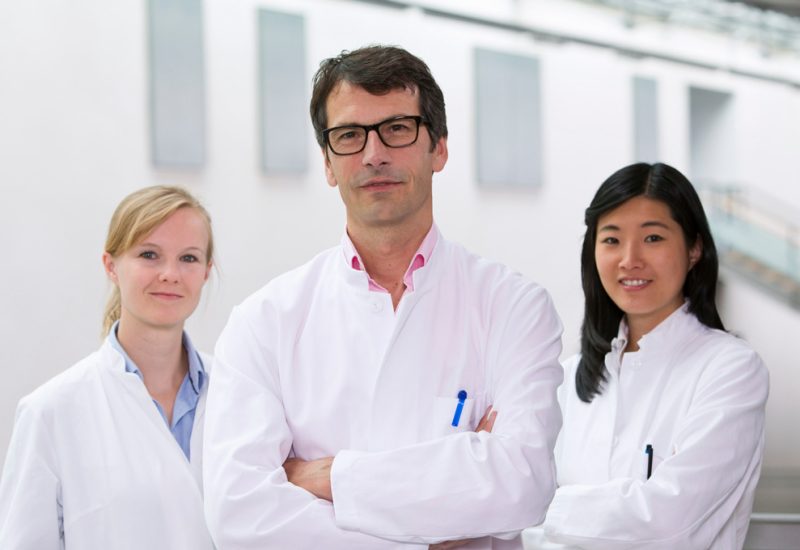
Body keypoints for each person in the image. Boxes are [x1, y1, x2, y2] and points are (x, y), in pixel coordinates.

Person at [203, 45, 564, 549]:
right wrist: (442, 518)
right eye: (349, 136)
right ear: (329, 164)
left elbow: (523, 484)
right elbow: (240, 518)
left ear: (438, 147)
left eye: (397, 128)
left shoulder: (514, 307)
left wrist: (327, 479)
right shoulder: (263, 322)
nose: (374, 154)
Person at [525, 162, 769, 550]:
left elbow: (670, 522)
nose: (629, 259)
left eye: (653, 238)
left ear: (694, 249)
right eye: (611, 240)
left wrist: (530, 507)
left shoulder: (731, 369)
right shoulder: (567, 381)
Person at [0, 186, 216, 549]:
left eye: (189, 258)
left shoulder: (240, 393)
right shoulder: (51, 412)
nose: (170, 273)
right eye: (149, 255)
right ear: (111, 266)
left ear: (207, 271)